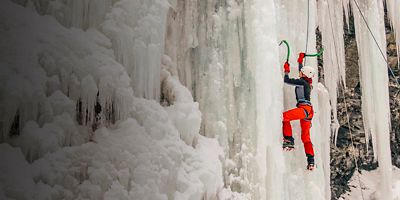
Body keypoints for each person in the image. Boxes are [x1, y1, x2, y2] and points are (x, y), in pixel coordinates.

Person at [282, 52, 316, 171]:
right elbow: (302, 72)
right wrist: (300, 60)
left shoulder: (302, 82)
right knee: (306, 138)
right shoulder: (307, 83)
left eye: (302, 72)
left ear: (304, 75)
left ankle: (288, 140)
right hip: (309, 112)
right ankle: (311, 161)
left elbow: (287, 80)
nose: (300, 73)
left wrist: (286, 70)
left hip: (304, 109)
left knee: (284, 117)